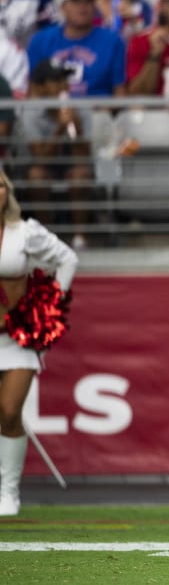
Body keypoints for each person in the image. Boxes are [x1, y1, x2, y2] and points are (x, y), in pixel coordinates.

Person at [0, 169, 78, 516]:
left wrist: (49, 306)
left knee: (9, 410)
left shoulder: (24, 233)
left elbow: (67, 258)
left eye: (1, 184)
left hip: (17, 337)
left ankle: (8, 493)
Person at [16, 60, 94, 249]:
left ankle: (80, 238)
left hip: (70, 165)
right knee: (36, 176)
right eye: (56, 80)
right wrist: (60, 128)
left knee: (81, 175)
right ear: (40, 87)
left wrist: (76, 126)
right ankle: (47, 239)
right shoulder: (31, 112)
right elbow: (40, 157)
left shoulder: (79, 108)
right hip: (43, 165)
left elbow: (83, 156)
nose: (63, 86)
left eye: (64, 80)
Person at [26, 0, 127, 99]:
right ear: (63, 7)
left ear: (95, 7)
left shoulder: (113, 41)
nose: (82, 7)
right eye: (76, 1)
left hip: (98, 111)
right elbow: (33, 90)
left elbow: (119, 92)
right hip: (51, 111)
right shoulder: (40, 41)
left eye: (88, 1)